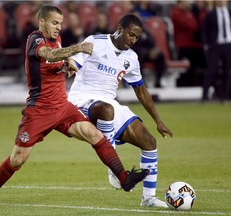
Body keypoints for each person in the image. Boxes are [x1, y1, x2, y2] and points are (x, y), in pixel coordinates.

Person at [0, 4, 149, 209]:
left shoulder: (57, 40)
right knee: (17, 159)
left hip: (63, 107)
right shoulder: (35, 39)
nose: (59, 27)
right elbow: (49, 55)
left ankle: (124, 178)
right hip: (40, 111)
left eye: (61, 24)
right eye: (55, 23)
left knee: (95, 135)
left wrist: (68, 65)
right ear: (42, 21)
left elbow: (55, 62)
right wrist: (77, 49)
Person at [67, 14, 173, 208]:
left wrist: (158, 120)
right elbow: (74, 63)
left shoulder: (132, 58)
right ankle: (114, 169)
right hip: (81, 99)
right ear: (120, 28)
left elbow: (141, 90)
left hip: (109, 102)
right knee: (106, 110)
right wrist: (69, 66)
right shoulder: (95, 42)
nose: (133, 40)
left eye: (136, 38)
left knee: (149, 142)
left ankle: (148, 199)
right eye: (131, 35)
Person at [201, 0, 231, 102]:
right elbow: (204, 29)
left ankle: (224, 97)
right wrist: (206, 44)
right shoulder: (211, 14)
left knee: (227, 71)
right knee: (211, 69)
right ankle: (205, 96)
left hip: (228, 45)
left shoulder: (229, 12)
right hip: (215, 45)